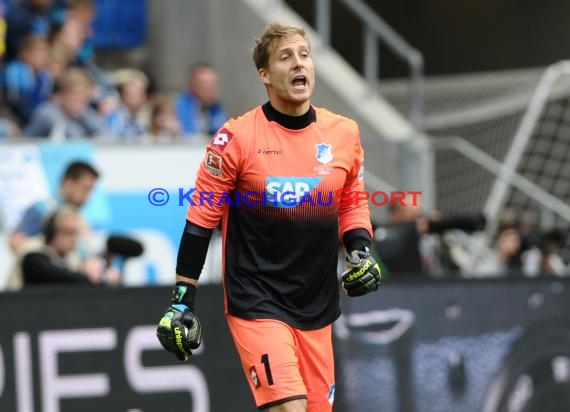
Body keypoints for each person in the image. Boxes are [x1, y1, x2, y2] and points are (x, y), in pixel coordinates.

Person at [156, 22, 382, 412]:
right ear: (265, 74)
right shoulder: (236, 138)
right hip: (257, 298)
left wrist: (360, 250)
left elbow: (351, 201)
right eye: (285, 57)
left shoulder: (344, 133)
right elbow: (200, 220)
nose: (299, 64)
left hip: (317, 302)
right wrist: (181, 300)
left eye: (304, 54)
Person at [6, 205, 119, 290]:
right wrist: (92, 277)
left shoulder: (73, 256)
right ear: (51, 231)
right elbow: (57, 275)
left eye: (75, 233)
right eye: (67, 232)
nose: (73, 239)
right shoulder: (32, 250)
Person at [9, 159, 99, 253]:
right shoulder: (43, 209)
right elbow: (15, 243)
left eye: (91, 191)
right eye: (85, 189)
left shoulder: (80, 217)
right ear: (68, 182)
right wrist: (47, 257)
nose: (88, 197)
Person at [22, 67, 108, 138]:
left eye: (83, 97)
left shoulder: (83, 112)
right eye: (74, 95)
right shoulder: (47, 112)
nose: (79, 100)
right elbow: (72, 136)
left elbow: (106, 133)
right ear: (61, 96)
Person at [174, 62, 227, 137]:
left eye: (213, 84)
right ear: (191, 85)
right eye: (204, 84)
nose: (210, 89)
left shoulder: (217, 109)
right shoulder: (176, 109)